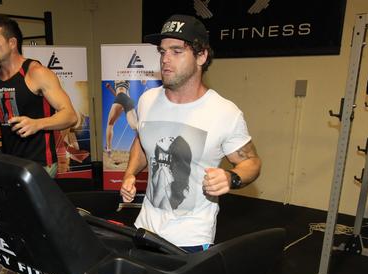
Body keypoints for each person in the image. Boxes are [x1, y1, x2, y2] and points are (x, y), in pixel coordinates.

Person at [120, 14, 262, 253]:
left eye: (176, 51)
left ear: (201, 56)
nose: (165, 59)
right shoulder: (147, 100)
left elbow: (252, 162)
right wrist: (130, 173)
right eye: (162, 51)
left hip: (191, 238)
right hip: (145, 227)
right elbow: (142, 144)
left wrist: (231, 177)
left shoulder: (224, 112)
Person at [0, 15, 78, 177]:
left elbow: (70, 116)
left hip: (40, 163)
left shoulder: (36, 73)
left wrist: (37, 124)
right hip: (10, 161)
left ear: (12, 43)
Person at [104, 80, 139, 155]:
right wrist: (110, 88)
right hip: (128, 100)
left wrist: (110, 87)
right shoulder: (127, 82)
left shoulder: (117, 77)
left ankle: (109, 149)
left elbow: (119, 97)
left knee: (110, 124)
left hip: (120, 97)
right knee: (135, 127)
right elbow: (121, 97)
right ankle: (141, 148)